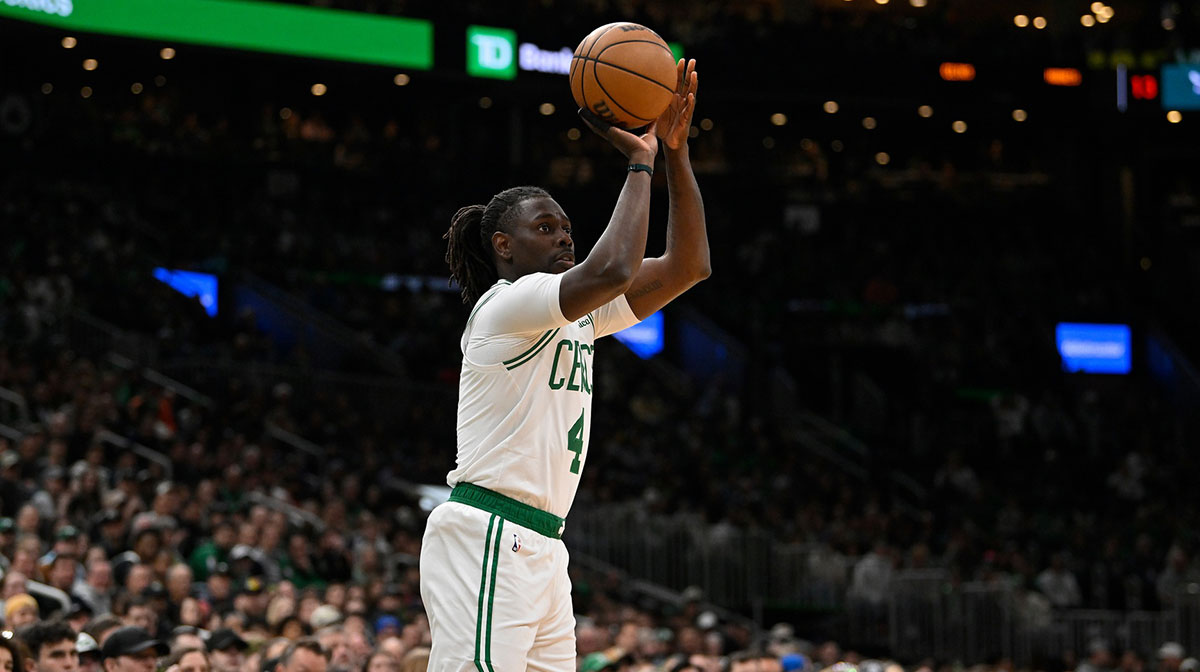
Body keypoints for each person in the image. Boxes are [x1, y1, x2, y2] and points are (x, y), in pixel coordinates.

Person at [420, 58, 707, 672]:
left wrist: (676, 154)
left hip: (544, 544)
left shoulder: (577, 316)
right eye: (545, 228)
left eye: (566, 228)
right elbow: (613, 270)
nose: (563, 238)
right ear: (505, 246)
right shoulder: (506, 304)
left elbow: (688, 267)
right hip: (489, 529)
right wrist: (639, 162)